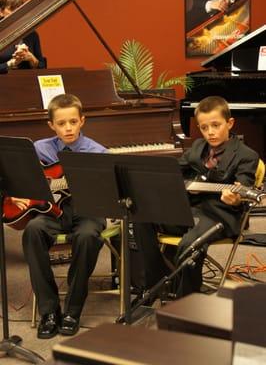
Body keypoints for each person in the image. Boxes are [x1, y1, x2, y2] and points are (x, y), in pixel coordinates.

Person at [132, 96, 259, 299]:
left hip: (221, 214)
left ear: (230, 123)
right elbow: (174, 172)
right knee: (141, 218)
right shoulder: (198, 148)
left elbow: (242, 186)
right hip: (191, 210)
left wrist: (236, 198)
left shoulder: (246, 155)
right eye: (204, 127)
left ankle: (186, 303)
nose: (210, 132)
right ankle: (157, 284)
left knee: (190, 244)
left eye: (216, 125)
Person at [13, 93, 107, 339]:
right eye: (62, 123)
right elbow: (22, 178)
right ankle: (49, 311)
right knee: (33, 231)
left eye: (73, 122)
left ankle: (72, 311)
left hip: (87, 210)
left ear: (82, 121)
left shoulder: (97, 152)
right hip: (51, 211)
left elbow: (109, 189)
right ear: (51, 125)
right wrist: (16, 193)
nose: (68, 128)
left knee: (87, 236)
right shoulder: (39, 148)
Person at [0, 0, 46, 73]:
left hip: (27, 83)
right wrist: (11, 63)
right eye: (12, 9)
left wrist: (31, 58)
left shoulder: (32, 34)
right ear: (1, 12)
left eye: (20, 9)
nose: (17, 13)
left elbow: (42, 66)